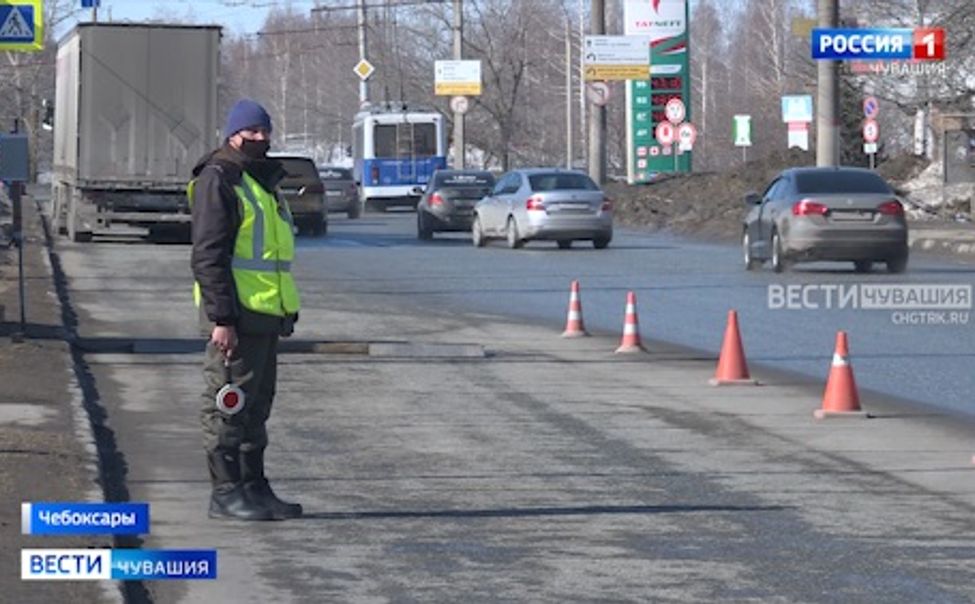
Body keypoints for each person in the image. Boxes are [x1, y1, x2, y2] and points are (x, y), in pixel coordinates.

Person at [188, 98, 302, 521]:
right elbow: (208, 256)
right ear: (233, 133)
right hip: (234, 317)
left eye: (264, 131)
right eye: (251, 132)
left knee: (256, 407)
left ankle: (254, 486)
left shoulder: (259, 181)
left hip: (265, 315)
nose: (260, 138)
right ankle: (226, 491)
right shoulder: (220, 178)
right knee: (227, 404)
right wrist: (222, 318)